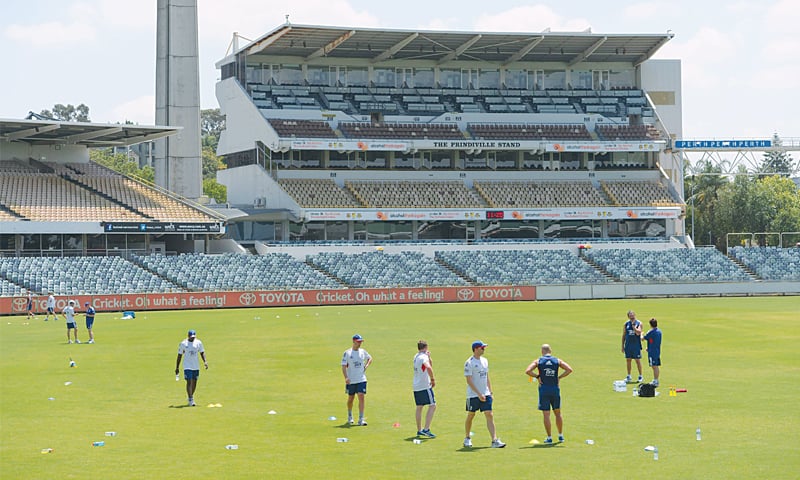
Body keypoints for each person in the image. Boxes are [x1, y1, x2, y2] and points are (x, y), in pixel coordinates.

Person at [525, 344, 573, 444]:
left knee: (546, 414)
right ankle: (560, 436)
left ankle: (549, 437)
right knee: (558, 413)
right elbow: (569, 369)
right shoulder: (557, 360)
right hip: (555, 389)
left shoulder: (538, 361)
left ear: (542, 351)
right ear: (550, 351)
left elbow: (528, 371)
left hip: (544, 390)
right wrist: (559, 377)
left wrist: (537, 377)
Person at [463, 340, 505, 448]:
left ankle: (494, 440)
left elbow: (487, 377)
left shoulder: (485, 361)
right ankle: (467, 438)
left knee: (489, 414)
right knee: (471, 415)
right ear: (476, 349)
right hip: (473, 395)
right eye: (482, 348)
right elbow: (469, 380)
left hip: (485, 393)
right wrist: (478, 394)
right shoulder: (469, 363)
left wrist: (490, 392)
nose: (484, 349)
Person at [341, 334, 372, 426]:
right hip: (351, 380)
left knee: (361, 397)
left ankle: (361, 419)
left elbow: (370, 358)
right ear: (354, 341)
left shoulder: (362, 352)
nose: (360, 344)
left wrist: (366, 366)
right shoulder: (347, 353)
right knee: (351, 398)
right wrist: (346, 377)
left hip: (361, 379)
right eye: (358, 342)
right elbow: (343, 366)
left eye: (361, 342)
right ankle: (350, 416)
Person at [175, 329, 208, 407]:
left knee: (194, 382)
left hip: (195, 366)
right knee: (189, 381)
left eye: (194, 337)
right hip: (187, 366)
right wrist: (177, 367)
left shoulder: (198, 343)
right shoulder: (183, 343)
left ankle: (190, 396)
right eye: (191, 337)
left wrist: (205, 362)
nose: (193, 338)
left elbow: (202, 352)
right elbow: (179, 355)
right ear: (188, 336)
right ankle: (191, 399)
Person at [412, 340, 436, 438]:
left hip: (416, 385)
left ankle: (419, 429)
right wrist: (433, 379)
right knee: (433, 405)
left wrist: (429, 357)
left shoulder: (416, 356)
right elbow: (429, 367)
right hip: (424, 385)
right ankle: (426, 429)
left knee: (419, 407)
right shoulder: (423, 357)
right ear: (426, 347)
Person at [621, 310, 643, 383]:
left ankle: (640, 375)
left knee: (637, 360)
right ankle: (629, 376)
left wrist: (634, 327)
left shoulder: (639, 323)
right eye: (630, 315)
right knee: (628, 360)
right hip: (628, 345)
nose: (632, 316)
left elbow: (638, 333)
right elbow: (624, 335)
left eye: (632, 315)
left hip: (636, 345)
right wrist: (622, 346)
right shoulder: (626, 324)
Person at [643, 318, 662, 386]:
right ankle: (655, 380)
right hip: (656, 350)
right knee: (655, 366)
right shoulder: (659, 331)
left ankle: (656, 381)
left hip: (653, 352)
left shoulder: (651, 332)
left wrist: (641, 334)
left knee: (654, 366)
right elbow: (651, 340)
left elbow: (643, 338)